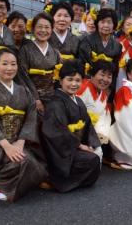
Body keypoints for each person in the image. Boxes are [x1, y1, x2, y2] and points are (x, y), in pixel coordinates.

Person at [0, 48, 47, 202]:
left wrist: (20, 142)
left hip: (20, 142)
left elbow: (31, 118)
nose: (9, 68)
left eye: (13, 64)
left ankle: (3, 178)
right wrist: (7, 146)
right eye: (5, 64)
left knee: (41, 168)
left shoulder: (24, 91)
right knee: (24, 161)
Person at [40, 60, 101, 192]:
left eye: (78, 80)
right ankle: (55, 180)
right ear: (60, 80)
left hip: (73, 144)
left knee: (96, 154)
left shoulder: (78, 100)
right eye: (70, 79)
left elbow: (87, 124)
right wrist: (79, 145)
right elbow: (57, 131)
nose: (74, 84)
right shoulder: (55, 102)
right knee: (92, 160)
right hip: (60, 150)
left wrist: (90, 143)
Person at [18, 13, 62, 106]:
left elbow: (59, 77)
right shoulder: (25, 50)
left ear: (51, 29)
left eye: (47, 27)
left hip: (52, 98)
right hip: (31, 98)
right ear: (33, 28)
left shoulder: (55, 52)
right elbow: (23, 77)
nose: (43, 30)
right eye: (39, 27)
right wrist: (35, 99)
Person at [78, 8, 122, 90]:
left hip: (107, 84)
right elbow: (83, 63)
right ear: (97, 23)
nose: (106, 25)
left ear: (114, 25)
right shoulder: (87, 41)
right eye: (102, 22)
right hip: (88, 82)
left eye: (109, 22)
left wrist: (110, 88)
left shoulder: (117, 45)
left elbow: (115, 70)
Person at [76, 61, 113, 146]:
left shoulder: (103, 94)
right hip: (78, 133)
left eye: (109, 76)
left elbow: (104, 117)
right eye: (102, 75)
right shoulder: (82, 87)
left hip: (94, 135)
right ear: (93, 74)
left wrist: (101, 133)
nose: (105, 79)